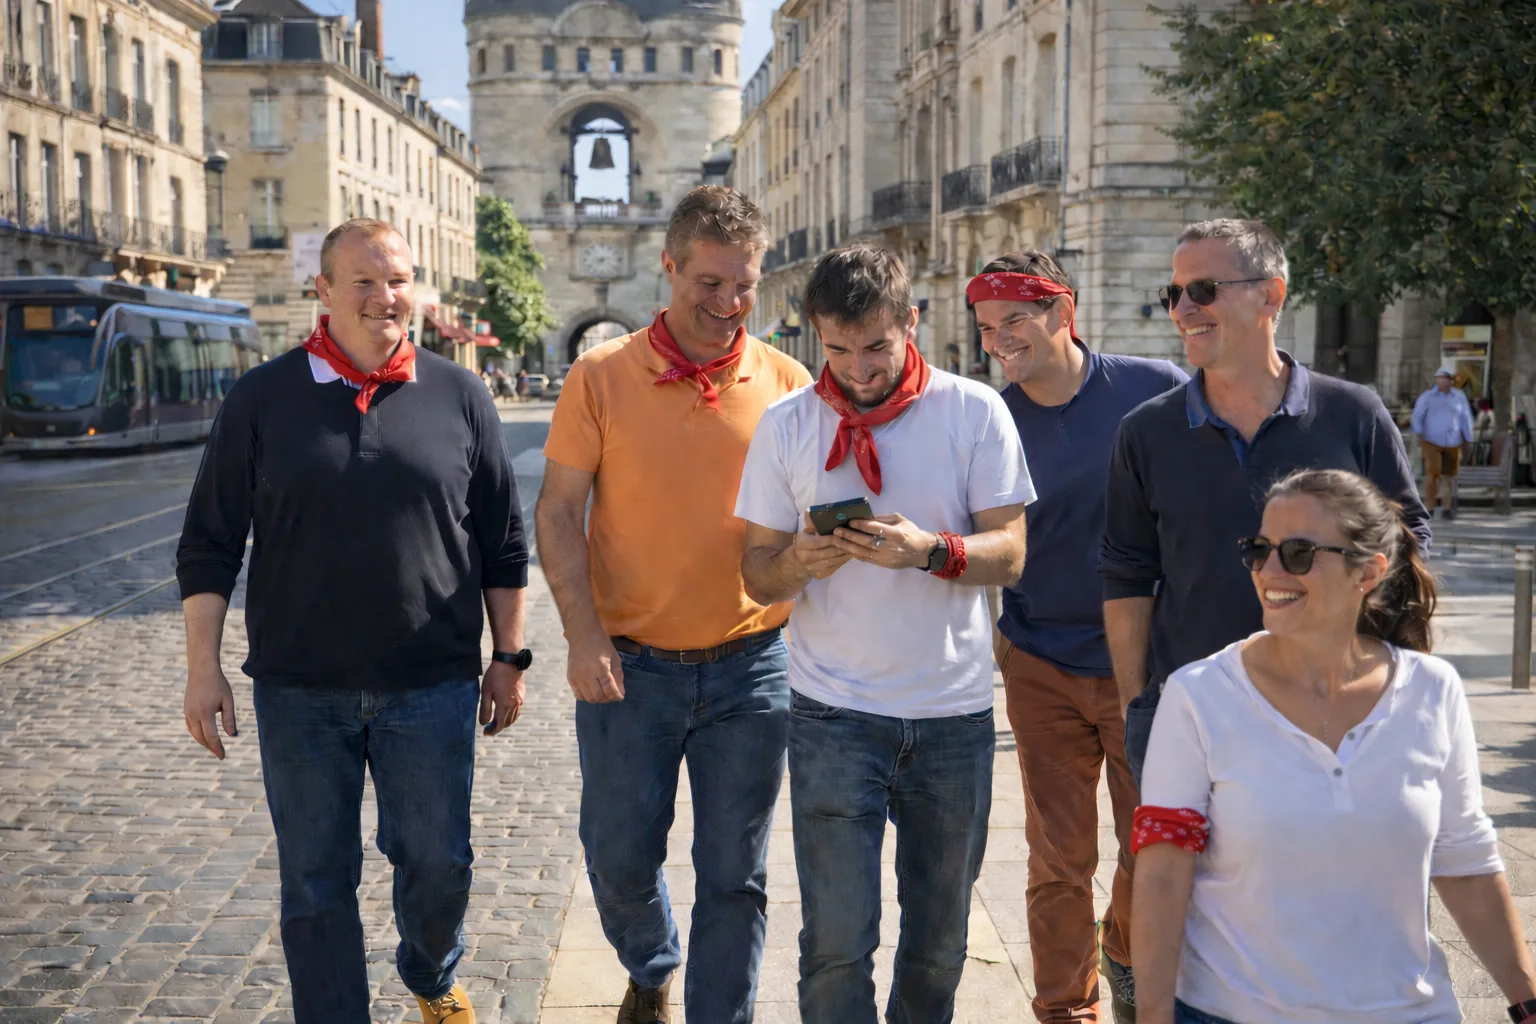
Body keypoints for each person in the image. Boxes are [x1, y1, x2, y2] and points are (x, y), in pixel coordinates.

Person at [177, 219, 530, 1024]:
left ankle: (431, 972)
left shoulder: (460, 394)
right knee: (314, 881)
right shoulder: (262, 397)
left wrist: (510, 654)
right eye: (364, 282)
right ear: (324, 291)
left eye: (398, 279)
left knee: (440, 866)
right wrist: (204, 666)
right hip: (299, 690)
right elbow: (209, 543)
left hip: (431, 685)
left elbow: (505, 540)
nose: (385, 297)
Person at [736, 245, 1034, 1022]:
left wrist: (932, 552)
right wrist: (797, 561)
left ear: (911, 322)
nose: (859, 369)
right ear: (814, 336)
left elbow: (1011, 554)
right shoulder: (786, 425)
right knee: (837, 940)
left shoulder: (975, 410)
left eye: (876, 346)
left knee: (939, 941)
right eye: (837, 348)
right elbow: (755, 575)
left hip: (954, 718)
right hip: (833, 716)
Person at [535, 186, 811, 1024]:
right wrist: (583, 638)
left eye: (744, 285)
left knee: (736, 871)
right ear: (669, 267)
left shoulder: (788, 383)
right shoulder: (601, 376)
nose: (728, 304)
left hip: (752, 666)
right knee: (618, 857)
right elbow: (555, 511)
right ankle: (652, 966)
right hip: (630, 667)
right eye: (708, 283)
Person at [1132, 468, 1536, 1024]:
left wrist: (1526, 999)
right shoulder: (1198, 696)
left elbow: (1465, 861)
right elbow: (1161, 874)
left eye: (1298, 553)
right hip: (1230, 1013)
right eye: (1260, 549)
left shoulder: (1431, 690)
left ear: (1367, 572)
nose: (1270, 571)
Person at [1100, 218, 1430, 789]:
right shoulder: (1146, 431)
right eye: (1173, 293)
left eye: (1202, 290)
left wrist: (1375, 671)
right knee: (1182, 878)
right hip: (1196, 714)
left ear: (1270, 295)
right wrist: (1141, 703)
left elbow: (1405, 543)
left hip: (1339, 714)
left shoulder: (1353, 414)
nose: (1182, 308)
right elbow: (1127, 573)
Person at [972, 250, 1187, 1024]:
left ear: (1064, 312)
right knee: (1059, 860)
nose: (1000, 341)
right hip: (1041, 663)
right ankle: (1066, 1008)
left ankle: (1124, 949)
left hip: (1149, 668)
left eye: (1016, 322)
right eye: (989, 328)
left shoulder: (1156, 390)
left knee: (1157, 842)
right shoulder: (992, 419)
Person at [1411, 367, 1475, 519]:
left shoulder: (1458, 396)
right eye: (1439, 378)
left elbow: (1465, 417)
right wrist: (1419, 433)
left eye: (1445, 378)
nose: (1442, 380)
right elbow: (1417, 415)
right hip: (1431, 440)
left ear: (1451, 380)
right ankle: (1430, 506)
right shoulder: (1427, 397)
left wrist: (1468, 438)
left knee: (1449, 476)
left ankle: (1447, 507)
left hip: (1453, 441)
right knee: (1433, 473)